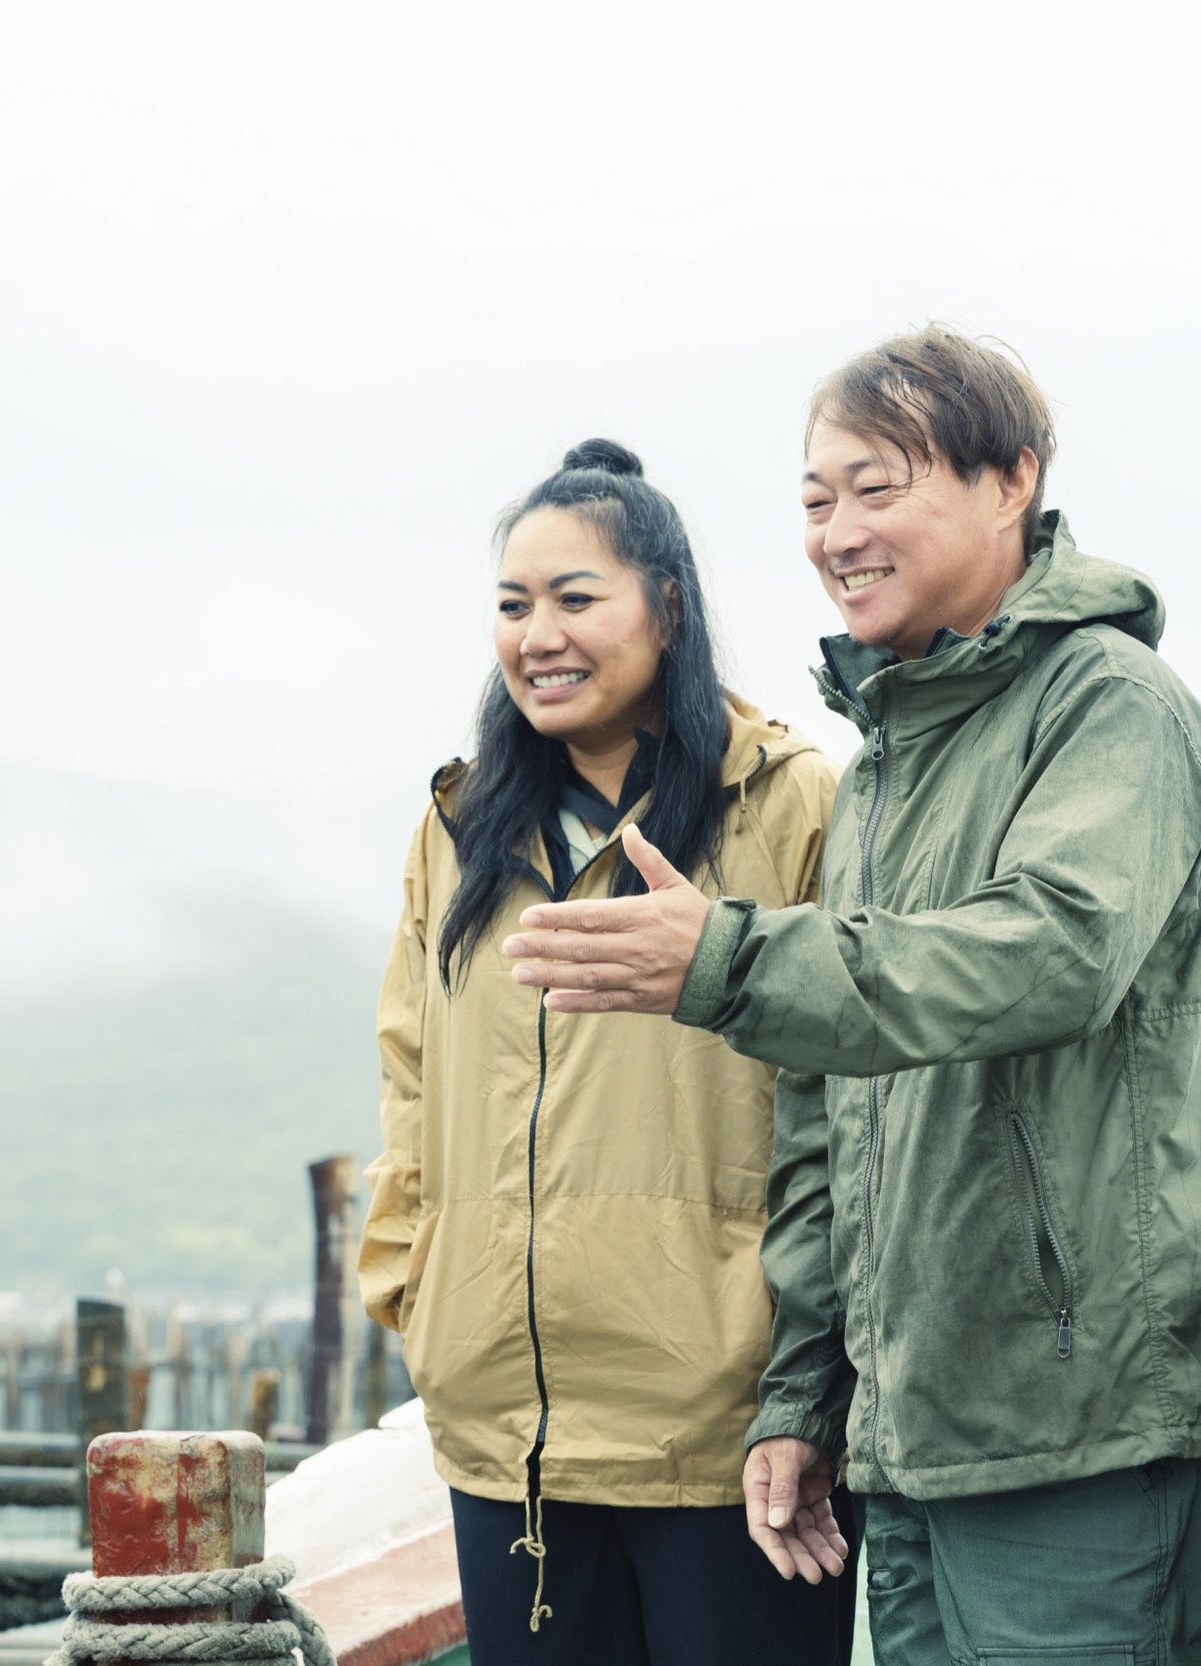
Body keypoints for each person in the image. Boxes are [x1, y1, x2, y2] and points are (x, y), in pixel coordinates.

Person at [501, 330, 1201, 1665]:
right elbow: (832, 1106)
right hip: (914, 1442)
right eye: (817, 501)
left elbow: (1051, 950)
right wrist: (807, 1392)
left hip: (1083, 1418)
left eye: (878, 488)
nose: (840, 533)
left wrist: (728, 960)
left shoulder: (1111, 706)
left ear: (1010, 483)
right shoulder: (881, 770)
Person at [358, 439, 857, 1665]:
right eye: (514, 604)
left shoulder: (787, 802)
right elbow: (412, 1077)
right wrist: (421, 1293)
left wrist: (802, 1383)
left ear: (667, 607)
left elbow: (844, 1104)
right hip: (505, 1429)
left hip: (723, 1429)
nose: (541, 635)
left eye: (577, 598)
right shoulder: (460, 825)